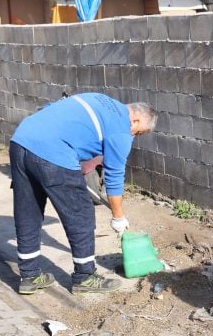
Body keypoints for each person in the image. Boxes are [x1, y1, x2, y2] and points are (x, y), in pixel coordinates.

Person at [8, 92, 157, 295]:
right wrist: (118, 216)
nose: (135, 136)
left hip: (21, 140)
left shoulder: (100, 99)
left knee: (29, 211)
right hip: (53, 151)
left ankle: (29, 275)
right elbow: (114, 176)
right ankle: (85, 277)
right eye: (139, 132)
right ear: (136, 119)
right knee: (81, 214)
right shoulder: (122, 129)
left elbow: (53, 108)